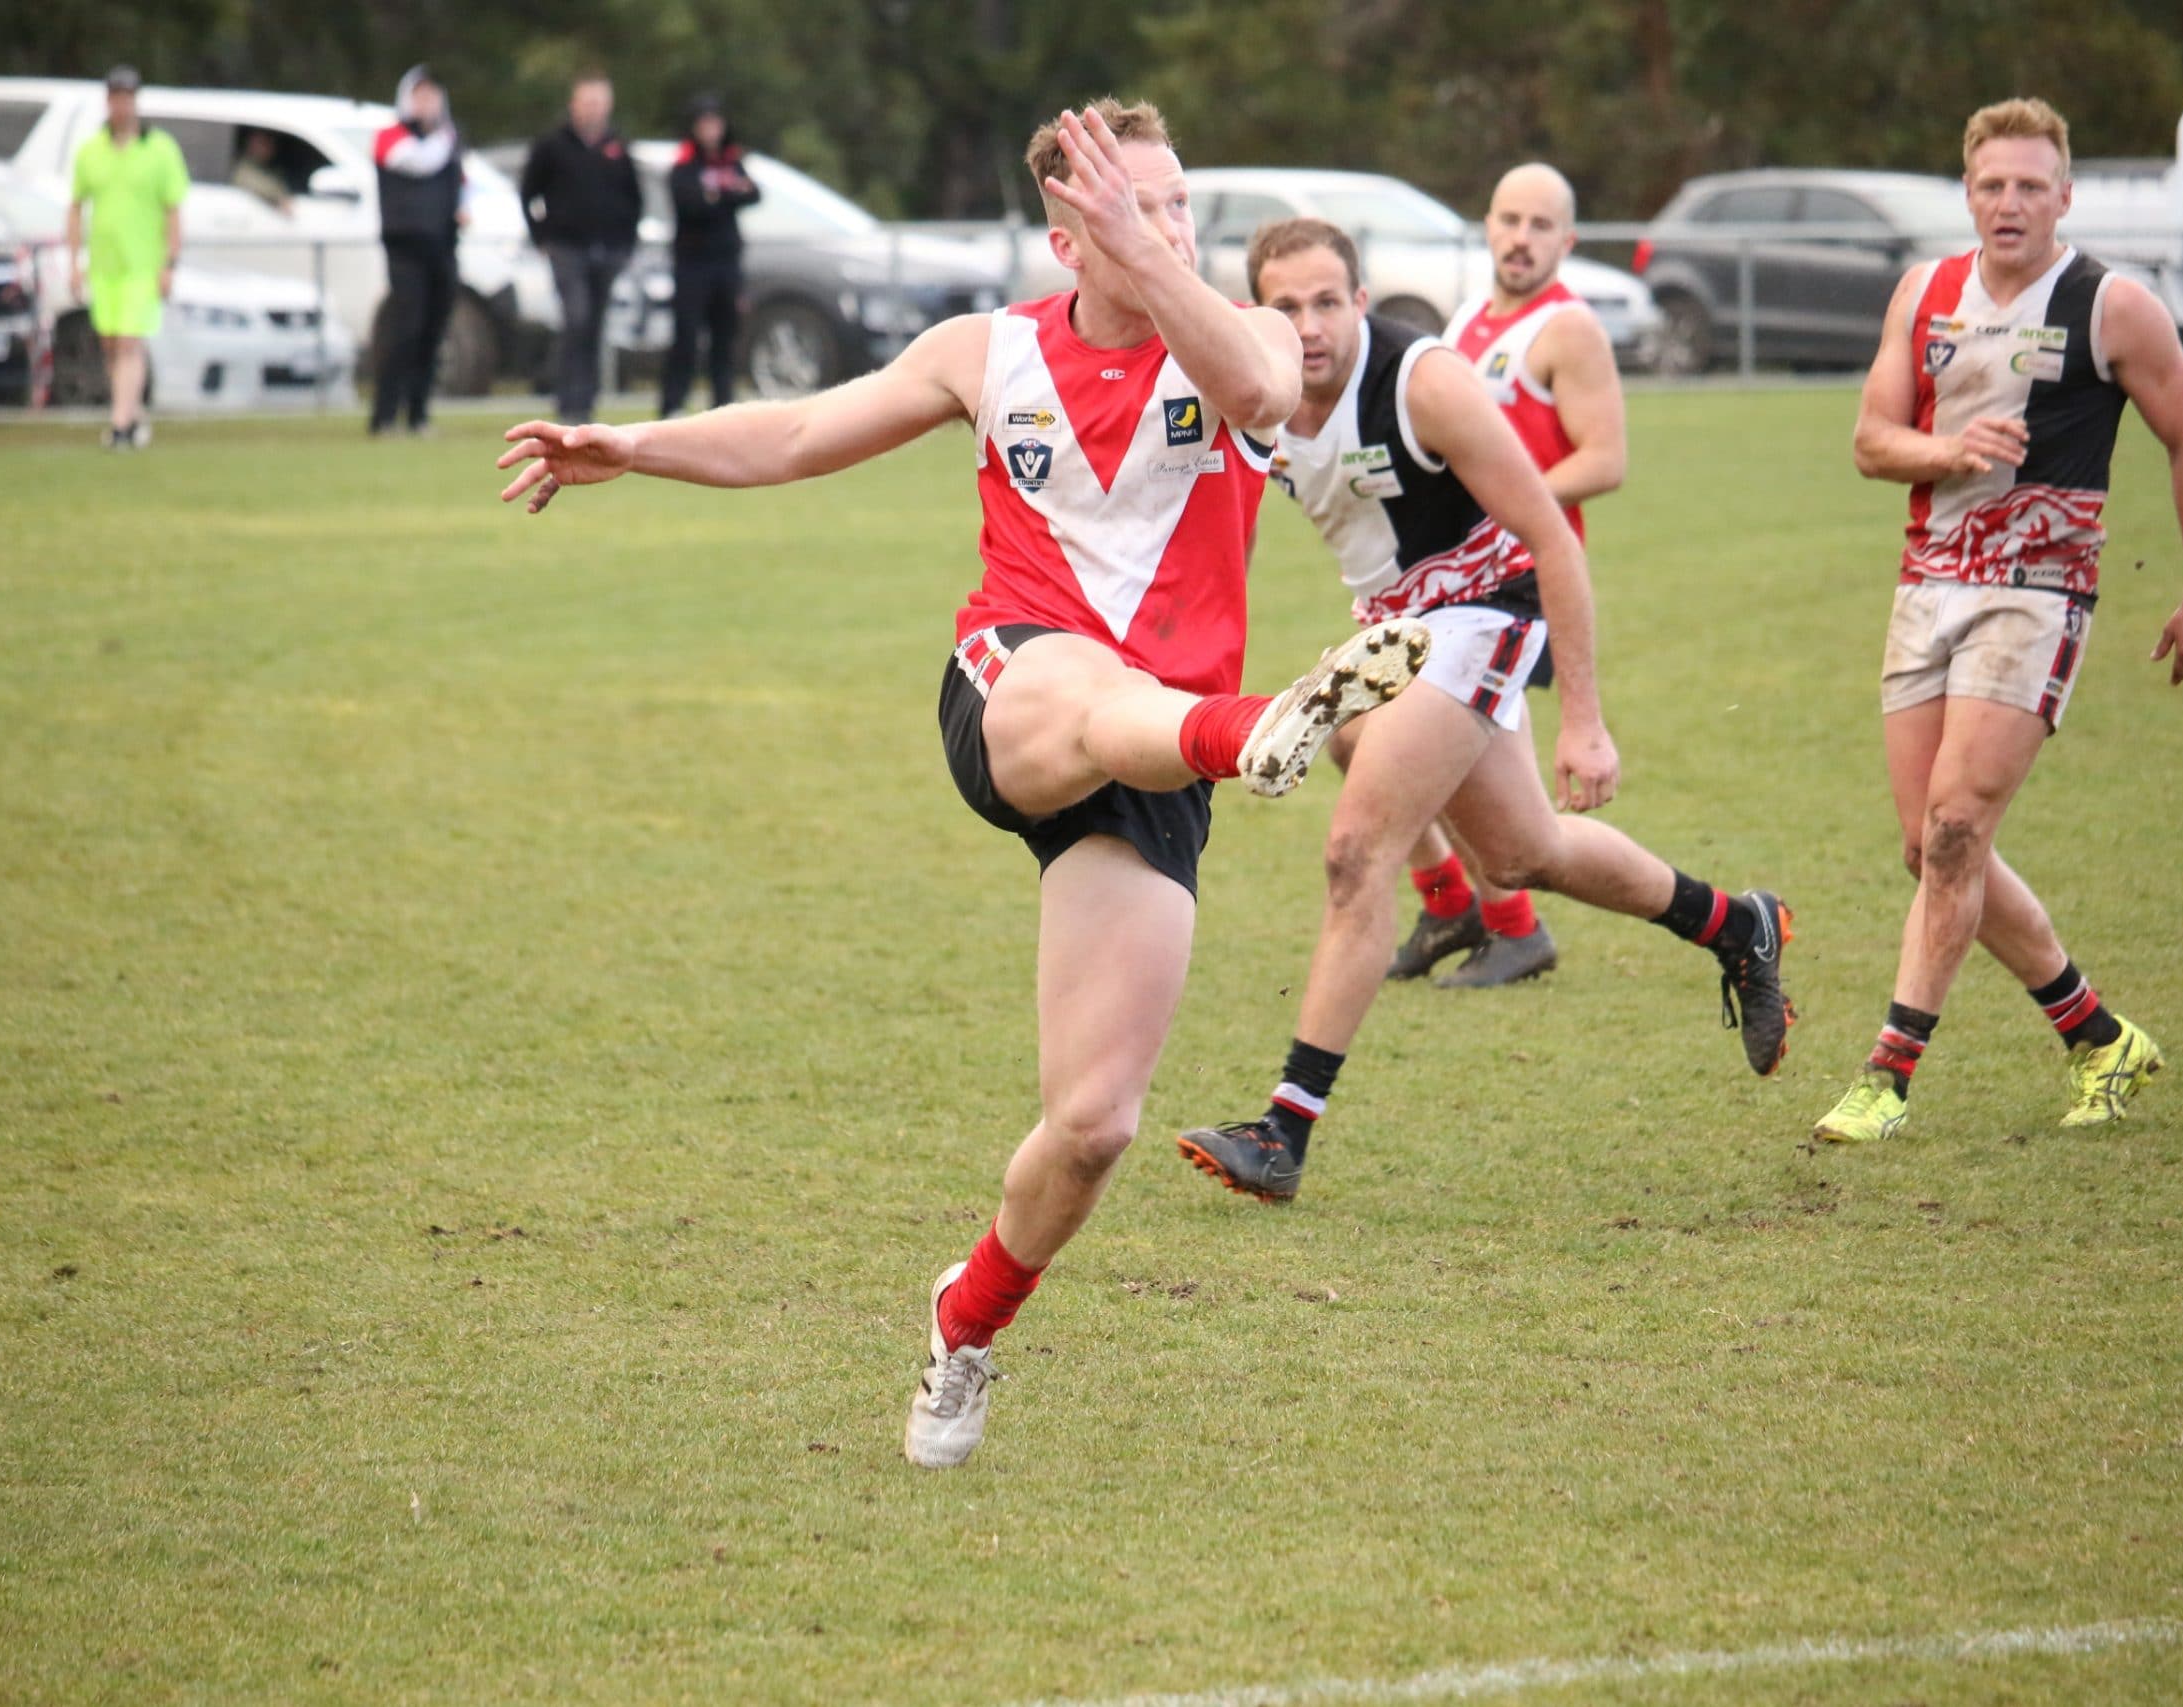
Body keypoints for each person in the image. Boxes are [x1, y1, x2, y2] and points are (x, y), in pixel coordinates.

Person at [495, 102, 1428, 1468]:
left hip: (1154, 758)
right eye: (1131, 206)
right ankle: (1253, 730)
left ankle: (966, 1319)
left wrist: (1150, 250)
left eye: (1177, 203)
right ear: (1065, 239)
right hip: (1018, 688)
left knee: (1093, 1125)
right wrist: (634, 444)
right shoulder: (988, 352)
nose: (1168, 227)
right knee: (1087, 690)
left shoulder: (1244, 336)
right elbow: (798, 430)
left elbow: (1257, 394)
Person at [1174, 218, 1792, 1206]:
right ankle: (1733, 922)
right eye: (1286, 307)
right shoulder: (1256, 392)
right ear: (1257, 314)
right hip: (1393, 624)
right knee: (1520, 851)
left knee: (1355, 851)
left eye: (1328, 301)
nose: (1310, 325)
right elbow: (1221, 536)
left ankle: (1284, 1129)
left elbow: (1553, 538)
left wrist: (1584, 720)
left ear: (1361, 302)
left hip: (1483, 610)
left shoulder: (1422, 382)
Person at [1811, 98, 2183, 1145]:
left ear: (2064, 196)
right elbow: (1869, 441)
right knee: (1928, 847)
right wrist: (1948, 452)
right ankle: (2097, 1035)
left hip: (2038, 590)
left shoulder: (2112, 306)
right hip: (1926, 585)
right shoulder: (1925, 292)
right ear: (1968, 193)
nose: (2010, 203)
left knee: (1958, 827)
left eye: (2030, 185)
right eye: (1992, 184)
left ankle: (1887, 1074)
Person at [1390, 161, 1630, 990]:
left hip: (1522, 580)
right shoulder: (1465, 318)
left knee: (1447, 766)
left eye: (1540, 225)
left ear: (1568, 240)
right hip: (1451, 580)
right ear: (1487, 226)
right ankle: (1456, 906)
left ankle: (1512, 925)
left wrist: (1511, 499)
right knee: (1383, 739)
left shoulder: (1568, 330)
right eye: (1509, 220)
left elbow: (1606, 458)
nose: (1521, 238)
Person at [65, 66, 187, 451]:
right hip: (105, 266)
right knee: (112, 344)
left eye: (127, 98)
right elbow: (76, 207)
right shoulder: (91, 151)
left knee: (131, 342)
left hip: (142, 266)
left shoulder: (160, 149)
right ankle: (133, 415)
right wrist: (74, 262)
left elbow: (173, 211)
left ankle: (119, 426)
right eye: (116, 98)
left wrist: (170, 263)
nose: (122, 106)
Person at [519, 73, 642, 423]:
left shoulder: (617, 147)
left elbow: (633, 199)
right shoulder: (552, 146)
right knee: (576, 317)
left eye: (599, 102)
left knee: (595, 325)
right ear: (574, 104)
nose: (593, 109)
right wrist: (541, 236)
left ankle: (586, 402)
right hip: (567, 248)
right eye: (588, 102)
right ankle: (566, 399)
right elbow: (528, 193)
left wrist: (626, 243)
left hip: (607, 250)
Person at [369, 67, 466, 437]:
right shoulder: (391, 137)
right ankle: (384, 415)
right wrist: (445, 135)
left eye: (433, 95)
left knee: (433, 330)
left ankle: (418, 414)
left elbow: (462, 182)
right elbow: (419, 161)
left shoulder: (449, 140)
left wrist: (463, 208)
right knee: (405, 328)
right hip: (405, 247)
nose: (428, 103)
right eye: (420, 95)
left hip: (443, 246)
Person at [658, 93, 760, 416]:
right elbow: (691, 204)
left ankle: (723, 405)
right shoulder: (685, 163)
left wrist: (718, 195)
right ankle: (673, 404)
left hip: (726, 263)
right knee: (686, 336)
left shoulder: (731, 159)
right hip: (692, 263)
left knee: (725, 338)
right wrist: (725, 194)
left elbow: (753, 193)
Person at [230, 128, 292, 216]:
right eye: (263, 143)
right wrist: (278, 198)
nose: (269, 147)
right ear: (250, 143)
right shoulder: (243, 166)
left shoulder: (270, 169)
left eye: (271, 143)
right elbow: (253, 184)